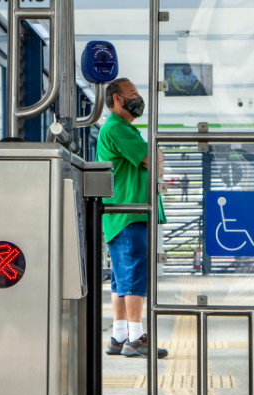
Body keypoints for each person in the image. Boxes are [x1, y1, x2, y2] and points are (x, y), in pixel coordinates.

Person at [97, 78, 168, 359]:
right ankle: (137, 338)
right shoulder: (117, 128)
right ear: (117, 99)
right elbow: (155, 161)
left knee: (121, 279)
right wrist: (157, 157)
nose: (138, 98)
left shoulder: (122, 128)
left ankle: (119, 334)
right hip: (129, 214)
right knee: (134, 276)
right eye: (133, 94)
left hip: (123, 215)